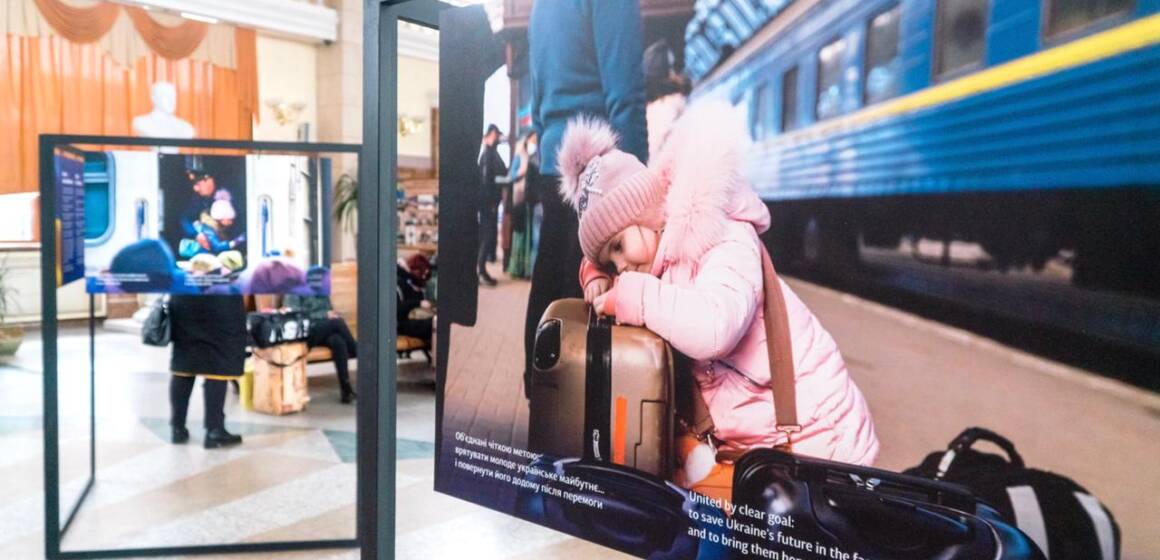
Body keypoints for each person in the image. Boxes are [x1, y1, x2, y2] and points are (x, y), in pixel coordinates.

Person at [556, 103, 879, 504]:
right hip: (764, 442)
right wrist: (596, 275)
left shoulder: (723, 237)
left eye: (619, 249)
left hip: (819, 440)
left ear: (648, 212)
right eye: (612, 262)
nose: (622, 267)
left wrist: (633, 296)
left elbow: (714, 329)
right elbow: (603, 248)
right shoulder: (658, 251)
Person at [524, 0, 649, 395]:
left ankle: (541, 393)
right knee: (592, 291)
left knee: (551, 281)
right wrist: (638, 181)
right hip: (600, 164)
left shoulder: (540, 8)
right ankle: (579, 411)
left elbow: (538, 96)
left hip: (553, 162)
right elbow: (625, 92)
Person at [169, 294, 246, 449]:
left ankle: (177, 428)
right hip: (220, 301)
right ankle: (214, 430)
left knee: (184, 363)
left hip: (185, 298)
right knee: (217, 365)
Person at [283, 293, 358, 403]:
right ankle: (356, 350)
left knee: (338, 341)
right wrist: (324, 315)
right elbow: (296, 314)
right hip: (305, 333)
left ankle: (346, 391)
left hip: (322, 330)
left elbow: (328, 310)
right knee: (338, 323)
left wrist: (329, 314)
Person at [477, 124, 507, 287]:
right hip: (488, 203)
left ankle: (481, 269)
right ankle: (480, 270)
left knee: (488, 235)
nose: (498, 138)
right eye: (496, 134)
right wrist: (490, 203)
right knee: (487, 236)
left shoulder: (491, 153)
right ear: (491, 134)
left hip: (491, 202)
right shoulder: (488, 155)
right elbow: (486, 182)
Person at [505, 131, 538, 279]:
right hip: (519, 199)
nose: (534, 142)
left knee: (530, 234)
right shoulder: (519, 155)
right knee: (520, 233)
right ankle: (518, 267)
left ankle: (528, 269)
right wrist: (521, 171)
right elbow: (511, 176)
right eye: (532, 139)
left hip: (531, 199)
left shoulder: (535, 157)